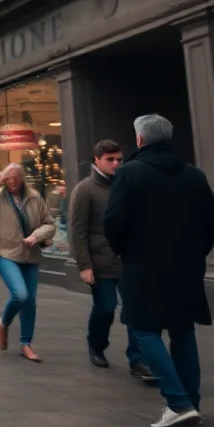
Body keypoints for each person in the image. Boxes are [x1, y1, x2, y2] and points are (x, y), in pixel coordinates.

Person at [105, 114, 214, 427]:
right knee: (182, 330)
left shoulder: (129, 174)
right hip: (186, 268)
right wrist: (195, 253)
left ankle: (179, 402)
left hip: (144, 267)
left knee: (144, 329)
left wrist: (123, 250)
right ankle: (191, 403)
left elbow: (113, 221)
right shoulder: (194, 175)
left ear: (140, 139)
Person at [69, 140, 153, 378]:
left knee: (136, 309)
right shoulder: (85, 190)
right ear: (97, 160)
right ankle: (96, 345)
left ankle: (138, 359)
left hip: (130, 261)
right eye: (110, 159)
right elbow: (78, 231)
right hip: (101, 262)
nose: (116, 163)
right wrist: (84, 265)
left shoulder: (128, 184)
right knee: (105, 308)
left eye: (119, 159)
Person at [0, 163, 55, 362]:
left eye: (15, 177)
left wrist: (36, 235)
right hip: (6, 254)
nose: (11, 181)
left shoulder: (35, 198)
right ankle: (3, 322)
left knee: (30, 300)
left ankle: (25, 344)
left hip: (31, 255)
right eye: (8, 178)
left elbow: (49, 224)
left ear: (22, 178)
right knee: (20, 294)